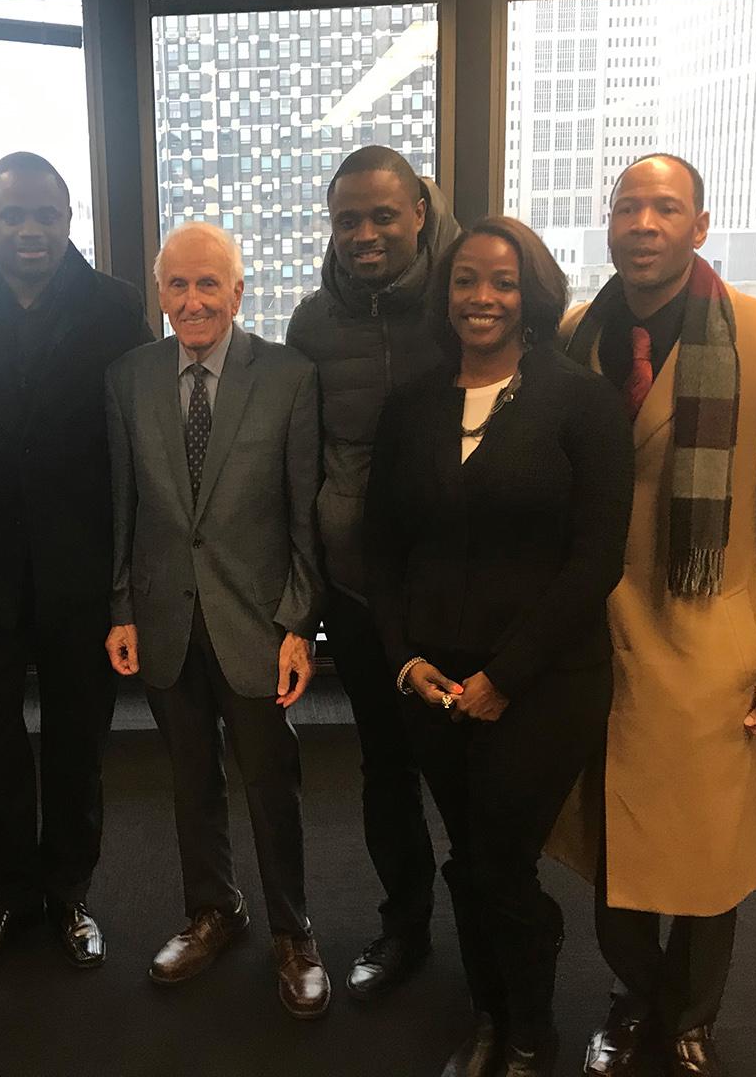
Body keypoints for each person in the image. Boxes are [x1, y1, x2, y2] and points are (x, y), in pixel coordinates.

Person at [550, 154, 756, 1077]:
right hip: (588, 644)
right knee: (612, 847)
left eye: (665, 207)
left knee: (708, 859)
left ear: (701, 226)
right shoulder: (571, 336)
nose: (644, 222)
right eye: (629, 205)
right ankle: (634, 994)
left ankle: (692, 1012)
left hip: (709, 645)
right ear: (609, 223)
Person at [367, 218, 633, 1077]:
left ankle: (528, 1028)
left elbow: (598, 558)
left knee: (500, 855)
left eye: (503, 282)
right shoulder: (412, 403)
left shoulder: (581, 401)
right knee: (468, 854)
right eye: (466, 280)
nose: (482, 297)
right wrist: (404, 658)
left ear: (533, 296)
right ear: (445, 294)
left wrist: (505, 677)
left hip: (546, 680)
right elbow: (382, 547)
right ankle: (488, 1011)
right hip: (433, 681)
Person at [0, 152, 153, 972]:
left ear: (68, 218)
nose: (30, 230)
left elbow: (133, 445)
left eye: (46, 214)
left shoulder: (117, 308)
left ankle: (70, 890)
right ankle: (12, 890)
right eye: (12, 215)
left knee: (79, 740)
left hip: (79, 569)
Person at [104, 221, 330, 1018]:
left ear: (238, 292)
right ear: (158, 294)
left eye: (208, 285)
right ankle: (213, 910)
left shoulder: (291, 377)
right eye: (177, 285)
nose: (192, 301)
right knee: (189, 778)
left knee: (272, 783)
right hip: (165, 616)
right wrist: (122, 606)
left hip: (258, 624)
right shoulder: (128, 377)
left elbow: (307, 516)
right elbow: (123, 508)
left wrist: (300, 623)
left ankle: (293, 933)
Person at [286, 145, 461, 998]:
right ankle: (404, 926)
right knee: (384, 768)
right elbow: (304, 460)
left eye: (383, 216)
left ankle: (493, 935)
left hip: (464, 590)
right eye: (347, 219)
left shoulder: (473, 299)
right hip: (359, 593)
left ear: (419, 212)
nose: (365, 234)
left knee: (472, 771)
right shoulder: (311, 325)